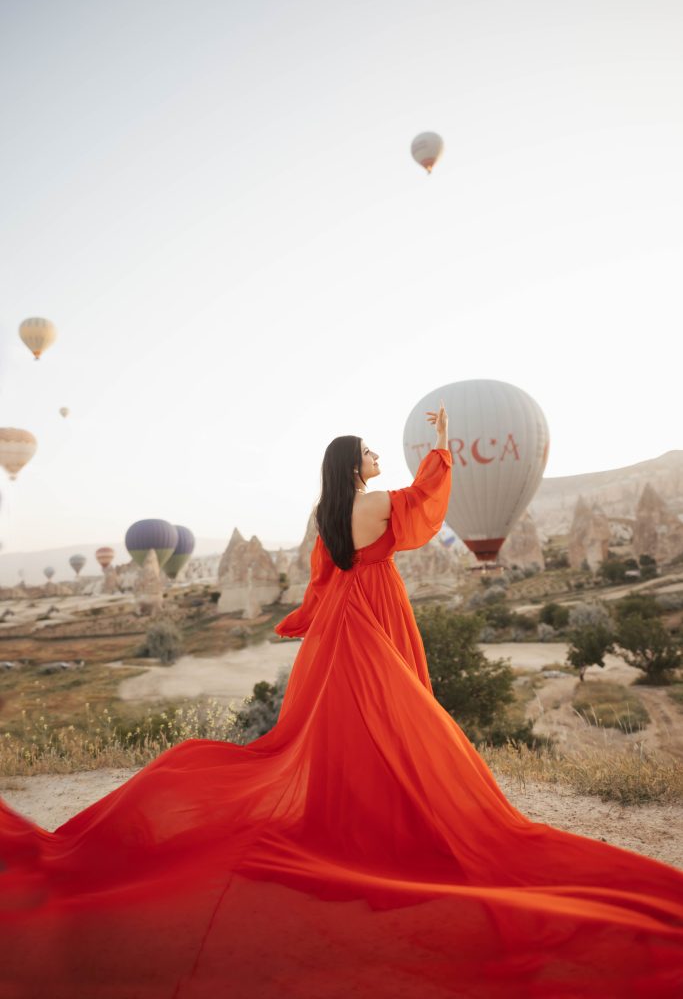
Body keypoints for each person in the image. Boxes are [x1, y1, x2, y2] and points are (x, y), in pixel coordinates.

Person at [0, 406, 682, 999]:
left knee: (344, 722)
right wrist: (441, 447)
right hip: (376, 613)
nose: (379, 456)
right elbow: (426, 503)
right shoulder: (375, 501)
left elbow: (325, 579)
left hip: (344, 619)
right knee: (399, 714)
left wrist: (304, 620)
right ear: (354, 465)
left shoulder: (327, 512)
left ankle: (360, 809)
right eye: (371, 452)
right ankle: (400, 818)